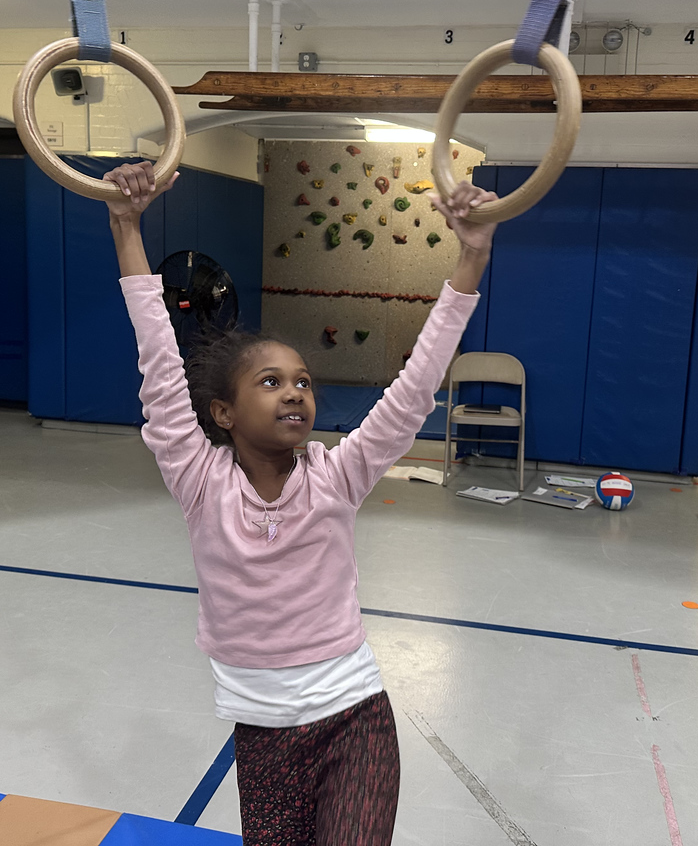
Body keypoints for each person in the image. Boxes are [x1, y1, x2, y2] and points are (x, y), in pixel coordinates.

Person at [102, 159, 497, 845]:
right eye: (271, 381)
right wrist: (125, 224)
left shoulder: (338, 477)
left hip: (356, 722)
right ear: (222, 412)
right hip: (263, 741)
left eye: (304, 382)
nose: (294, 392)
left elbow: (415, 387)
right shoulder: (200, 482)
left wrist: (471, 255)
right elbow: (160, 365)